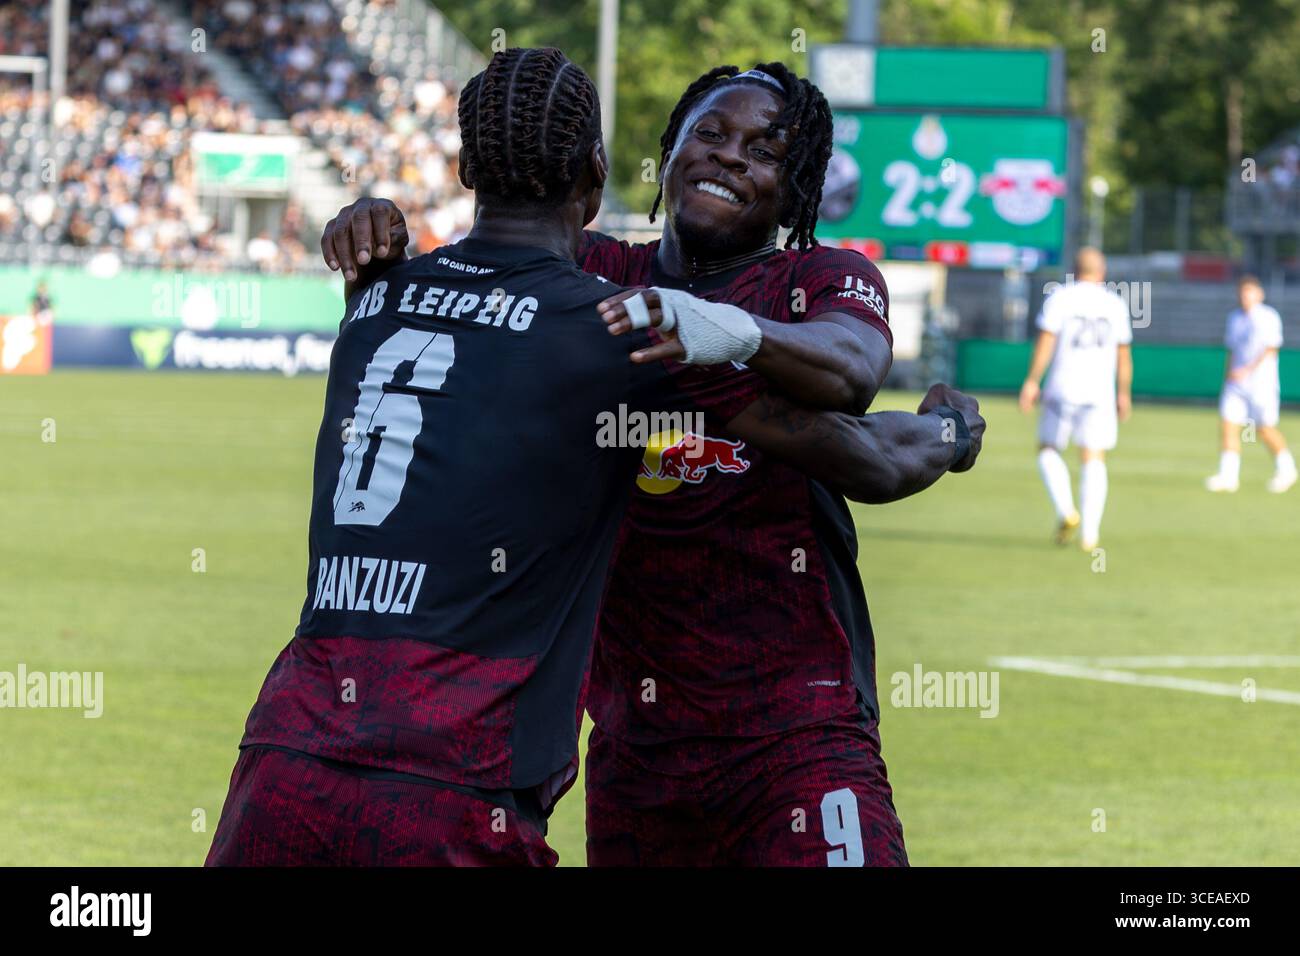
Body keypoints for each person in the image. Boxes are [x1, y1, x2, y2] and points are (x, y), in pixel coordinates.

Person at [211, 48, 983, 867]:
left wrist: (745, 338)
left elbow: (856, 378)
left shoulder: (818, 278)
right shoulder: (604, 286)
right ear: (663, 150)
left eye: (763, 150)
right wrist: (375, 230)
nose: (728, 153)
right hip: (635, 750)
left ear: (796, 189)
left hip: (796, 732)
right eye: (709, 132)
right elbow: (494, 250)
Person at [1019, 248, 1133, 551]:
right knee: (1094, 457)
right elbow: (1124, 355)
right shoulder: (1115, 303)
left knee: (1047, 448)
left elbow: (1046, 342)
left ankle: (1066, 510)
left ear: (1074, 268)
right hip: (1100, 392)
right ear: (1102, 271)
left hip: (1063, 387)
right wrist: (1123, 393)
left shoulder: (1060, 297)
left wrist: (1032, 381)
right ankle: (1090, 535)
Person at [1205, 275, 1296, 494]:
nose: (1245, 297)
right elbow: (1233, 350)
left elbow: (1270, 348)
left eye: (1250, 292)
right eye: (1242, 293)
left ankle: (1287, 468)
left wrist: (1247, 370)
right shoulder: (1235, 318)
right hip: (1236, 384)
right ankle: (1228, 476)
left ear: (1259, 294)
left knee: (1264, 428)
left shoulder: (1267, 316)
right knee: (1229, 423)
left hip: (1261, 383)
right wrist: (1229, 375)